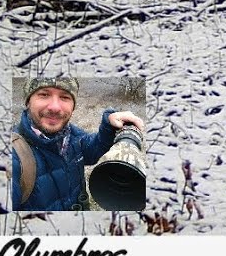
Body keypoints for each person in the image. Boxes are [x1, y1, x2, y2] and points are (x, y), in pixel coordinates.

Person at [10, 76, 146, 211]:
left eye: (64, 97)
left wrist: (108, 127)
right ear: (28, 102)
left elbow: (92, 151)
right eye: (44, 95)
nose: (55, 107)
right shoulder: (13, 157)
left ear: (73, 106)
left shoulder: (71, 134)